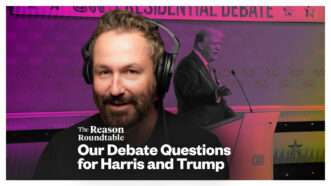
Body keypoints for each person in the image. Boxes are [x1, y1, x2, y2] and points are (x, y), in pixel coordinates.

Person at [34, 10, 229, 179]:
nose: (115, 89)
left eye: (131, 72)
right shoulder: (61, 153)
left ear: (159, 77)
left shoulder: (202, 152)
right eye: (104, 72)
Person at [174, 28, 235, 127]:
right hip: (196, 130)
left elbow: (218, 103)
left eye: (219, 44)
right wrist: (216, 94)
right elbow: (190, 95)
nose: (218, 48)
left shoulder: (207, 66)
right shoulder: (188, 64)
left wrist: (235, 118)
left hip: (213, 127)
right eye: (214, 44)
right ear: (200, 45)